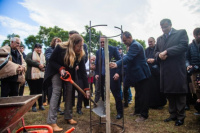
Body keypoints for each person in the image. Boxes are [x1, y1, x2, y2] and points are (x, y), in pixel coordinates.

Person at [44, 34, 90, 131]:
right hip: (56, 71)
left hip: (69, 74)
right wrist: (60, 69)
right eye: (79, 46)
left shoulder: (80, 54)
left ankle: (68, 116)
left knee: (70, 92)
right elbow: (51, 61)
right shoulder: (60, 47)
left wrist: (86, 89)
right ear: (73, 44)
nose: (81, 48)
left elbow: (83, 72)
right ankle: (51, 121)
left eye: (82, 46)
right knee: (57, 91)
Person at [110, 31, 151, 122]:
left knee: (143, 95)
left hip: (142, 74)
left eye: (125, 40)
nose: (124, 42)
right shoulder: (132, 45)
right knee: (138, 94)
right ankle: (137, 111)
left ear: (130, 37)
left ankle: (144, 115)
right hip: (137, 75)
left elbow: (128, 58)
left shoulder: (135, 45)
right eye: (123, 41)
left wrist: (117, 64)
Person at [154, 18, 188, 126]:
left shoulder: (181, 33)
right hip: (165, 71)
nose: (164, 29)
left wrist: (167, 51)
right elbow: (155, 52)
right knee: (170, 94)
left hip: (177, 69)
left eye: (165, 27)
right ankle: (173, 115)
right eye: (162, 27)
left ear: (170, 25)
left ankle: (181, 117)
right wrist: (159, 55)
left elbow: (183, 46)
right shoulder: (159, 39)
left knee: (179, 94)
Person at [95, 36, 123, 119]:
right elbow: (97, 64)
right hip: (102, 76)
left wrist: (118, 73)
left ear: (107, 42)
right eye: (101, 42)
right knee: (103, 95)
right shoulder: (98, 52)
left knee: (116, 94)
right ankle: (105, 110)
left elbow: (120, 61)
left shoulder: (113, 49)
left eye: (104, 42)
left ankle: (119, 112)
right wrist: (97, 73)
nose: (102, 44)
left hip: (113, 76)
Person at [68, 30, 90, 115]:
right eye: (70, 37)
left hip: (79, 71)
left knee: (80, 89)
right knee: (69, 91)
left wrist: (78, 65)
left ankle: (79, 108)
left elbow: (85, 57)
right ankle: (69, 108)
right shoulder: (67, 47)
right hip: (70, 72)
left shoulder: (83, 46)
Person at [145, 37, 166, 109]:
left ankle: (160, 104)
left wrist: (154, 60)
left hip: (158, 72)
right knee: (151, 89)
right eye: (148, 42)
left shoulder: (158, 49)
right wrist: (147, 59)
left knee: (158, 88)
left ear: (154, 41)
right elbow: (143, 58)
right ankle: (151, 104)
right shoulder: (146, 50)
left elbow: (162, 58)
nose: (150, 43)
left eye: (151, 41)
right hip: (150, 72)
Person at [25, 43, 46, 112]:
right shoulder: (30, 54)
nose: (39, 49)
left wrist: (43, 66)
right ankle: (33, 105)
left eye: (40, 48)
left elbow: (45, 63)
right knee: (33, 90)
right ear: (34, 48)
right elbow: (28, 60)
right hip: (31, 76)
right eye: (37, 48)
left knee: (40, 90)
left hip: (41, 75)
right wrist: (38, 64)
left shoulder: (43, 55)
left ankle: (41, 105)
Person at [44, 37, 62, 112]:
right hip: (51, 73)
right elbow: (49, 59)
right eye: (56, 41)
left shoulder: (62, 50)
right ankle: (52, 107)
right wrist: (56, 50)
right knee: (52, 90)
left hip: (59, 72)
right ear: (53, 42)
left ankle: (57, 106)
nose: (57, 42)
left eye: (59, 41)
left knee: (59, 91)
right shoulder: (49, 49)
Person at [186, 28, 200, 114]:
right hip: (195, 71)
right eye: (197, 34)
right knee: (197, 88)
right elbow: (186, 58)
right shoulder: (190, 46)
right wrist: (188, 65)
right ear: (194, 35)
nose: (199, 36)